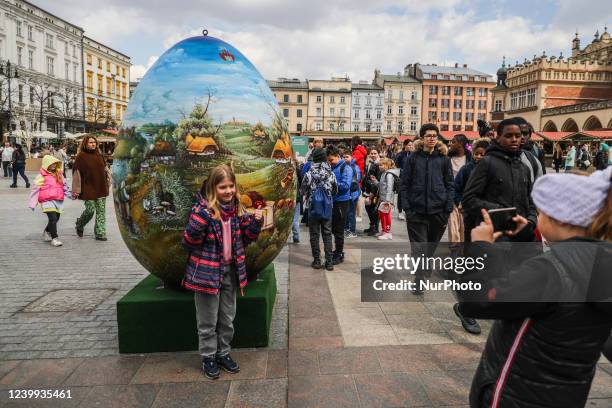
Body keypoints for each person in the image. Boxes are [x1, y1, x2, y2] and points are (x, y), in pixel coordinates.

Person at [457, 166, 612, 408]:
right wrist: (527, 235)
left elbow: (476, 299)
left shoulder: (549, 271)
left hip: (514, 394)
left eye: (541, 212)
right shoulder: (601, 261)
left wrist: (480, 249)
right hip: (565, 394)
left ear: (559, 217)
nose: (537, 217)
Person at [182, 164, 263, 380]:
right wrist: (200, 221)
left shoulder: (236, 210)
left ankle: (223, 352)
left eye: (230, 186)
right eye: (222, 187)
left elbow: (245, 239)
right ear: (212, 188)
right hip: (207, 273)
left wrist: (255, 224)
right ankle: (208, 356)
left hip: (230, 271)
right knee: (207, 320)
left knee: (227, 317)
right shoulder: (203, 211)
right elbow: (189, 241)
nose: (227, 191)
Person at [463, 118, 537, 244]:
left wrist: (530, 222)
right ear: (498, 138)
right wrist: (502, 213)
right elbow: (469, 199)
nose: (514, 139)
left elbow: (531, 201)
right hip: (495, 235)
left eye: (517, 136)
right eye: (508, 136)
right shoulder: (487, 163)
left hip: (522, 236)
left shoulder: (524, 167)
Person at [400, 124, 454, 295]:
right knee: (419, 247)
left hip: (438, 212)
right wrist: (407, 207)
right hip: (416, 211)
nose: (432, 138)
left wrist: (448, 208)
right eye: (428, 135)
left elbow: (450, 185)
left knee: (430, 248)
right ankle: (419, 279)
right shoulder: (413, 158)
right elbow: (404, 183)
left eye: (434, 136)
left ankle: (424, 269)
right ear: (422, 138)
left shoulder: (444, 159)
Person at [301, 148, 337, 270]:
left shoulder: (309, 174)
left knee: (314, 234)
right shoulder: (330, 173)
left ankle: (317, 261)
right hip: (327, 207)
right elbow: (335, 190)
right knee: (327, 234)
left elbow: (303, 190)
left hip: (313, 207)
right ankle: (329, 262)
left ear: (314, 158)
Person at [28, 155, 71, 247]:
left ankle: (48, 230)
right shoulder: (41, 176)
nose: (54, 165)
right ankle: (55, 238)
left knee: (57, 218)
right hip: (46, 200)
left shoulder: (59, 174)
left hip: (58, 200)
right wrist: (33, 202)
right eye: (52, 164)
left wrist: (72, 195)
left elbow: (65, 186)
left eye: (55, 164)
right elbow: (35, 189)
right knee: (53, 219)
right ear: (46, 164)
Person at [72, 136, 109, 241]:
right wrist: (76, 190)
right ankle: (80, 224)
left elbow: (105, 169)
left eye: (94, 142)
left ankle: (100, 233)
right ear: (85, 144)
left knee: (101, 212)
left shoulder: (99, 155)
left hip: (101, 187)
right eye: (90, 142)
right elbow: (76, 174)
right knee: (90, 210)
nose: (93, 144)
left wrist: (109, 181)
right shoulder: (81, 157)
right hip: (88, 188)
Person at [327, 145, 352, 265]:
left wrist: (331, 183)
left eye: (331, 160)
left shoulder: (346, 168)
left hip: (342, 202)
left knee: (339, 230)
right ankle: (337, 251)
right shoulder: (332, 167)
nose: (329, 162)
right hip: (333, 201)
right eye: (328, 160)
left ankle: (339, 254)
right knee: (333, 228)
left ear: (338, 156)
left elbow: (346, 186)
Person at [448, 134, 472, 250]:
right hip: (451, 195)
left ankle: (463, 249)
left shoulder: (470, 159)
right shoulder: (448, 159)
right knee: (453, 224)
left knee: (463, 224)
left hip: (465, 196)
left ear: (461, 144)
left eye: (453, 142)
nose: (450, 144)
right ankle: (454, 249)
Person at [371, 157, 399, 240]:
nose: (380, 167)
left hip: (386, 199)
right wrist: (375, 181)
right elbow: (381, 185)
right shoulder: (384, 173)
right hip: (383, 198)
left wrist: (387, 200)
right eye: (379, 165)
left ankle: (387, 232)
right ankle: (384, 231)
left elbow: (390, 187)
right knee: (382, 215)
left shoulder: (389, 174)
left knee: (386, 215)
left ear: (387, 165)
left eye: (382, 165)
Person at [394, 139, 413, 221]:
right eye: (409, 145)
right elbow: (396, 165)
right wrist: (401, 171)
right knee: (401, 195)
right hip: (402, 177)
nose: (410, 147)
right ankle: (400, 211)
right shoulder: (400, 155)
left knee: (410, 195)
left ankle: (407, 211)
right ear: (405, 145)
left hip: (411, 178)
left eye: (411, 145)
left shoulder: (413, 155)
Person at [343, 151, 361, 239]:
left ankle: (352, 231)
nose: (345, 158)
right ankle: (347, 229)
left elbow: (357, 179)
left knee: (351, 213)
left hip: (353, 193)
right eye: (344, 157)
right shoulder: (345, 166)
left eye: (347, 157)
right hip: (348, 193)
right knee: (347, 212)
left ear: (351, 157)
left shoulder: (355, 167)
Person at [363, 148, 381, 236]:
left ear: (378, 154)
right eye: (372, 153)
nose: (373, 155)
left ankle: (375, 228)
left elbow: (376, 180)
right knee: (368, 208)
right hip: (368, 190)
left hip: (375, 191)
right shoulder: (369, 163)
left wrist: (372, 193)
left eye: (375, 153)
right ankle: (372, 226)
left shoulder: (378, 164)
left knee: (374, 209)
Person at [292, 158, 304, 243]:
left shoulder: (283, 170)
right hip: (296, 197)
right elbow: (302, 181)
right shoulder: (297, 170)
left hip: (286, 199)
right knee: (295, 218)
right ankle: (296, 236)